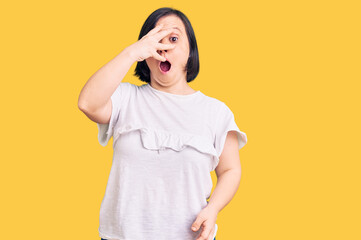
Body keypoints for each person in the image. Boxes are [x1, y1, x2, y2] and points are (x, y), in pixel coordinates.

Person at [78, 7, 247, 240]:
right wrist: (131, 53)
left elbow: (230, 170)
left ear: (190, 51)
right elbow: (88, 103)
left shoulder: (216, 112)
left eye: (174, 39)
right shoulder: (126, 98)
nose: (163, 47)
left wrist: (213, 208)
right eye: (155, 39)